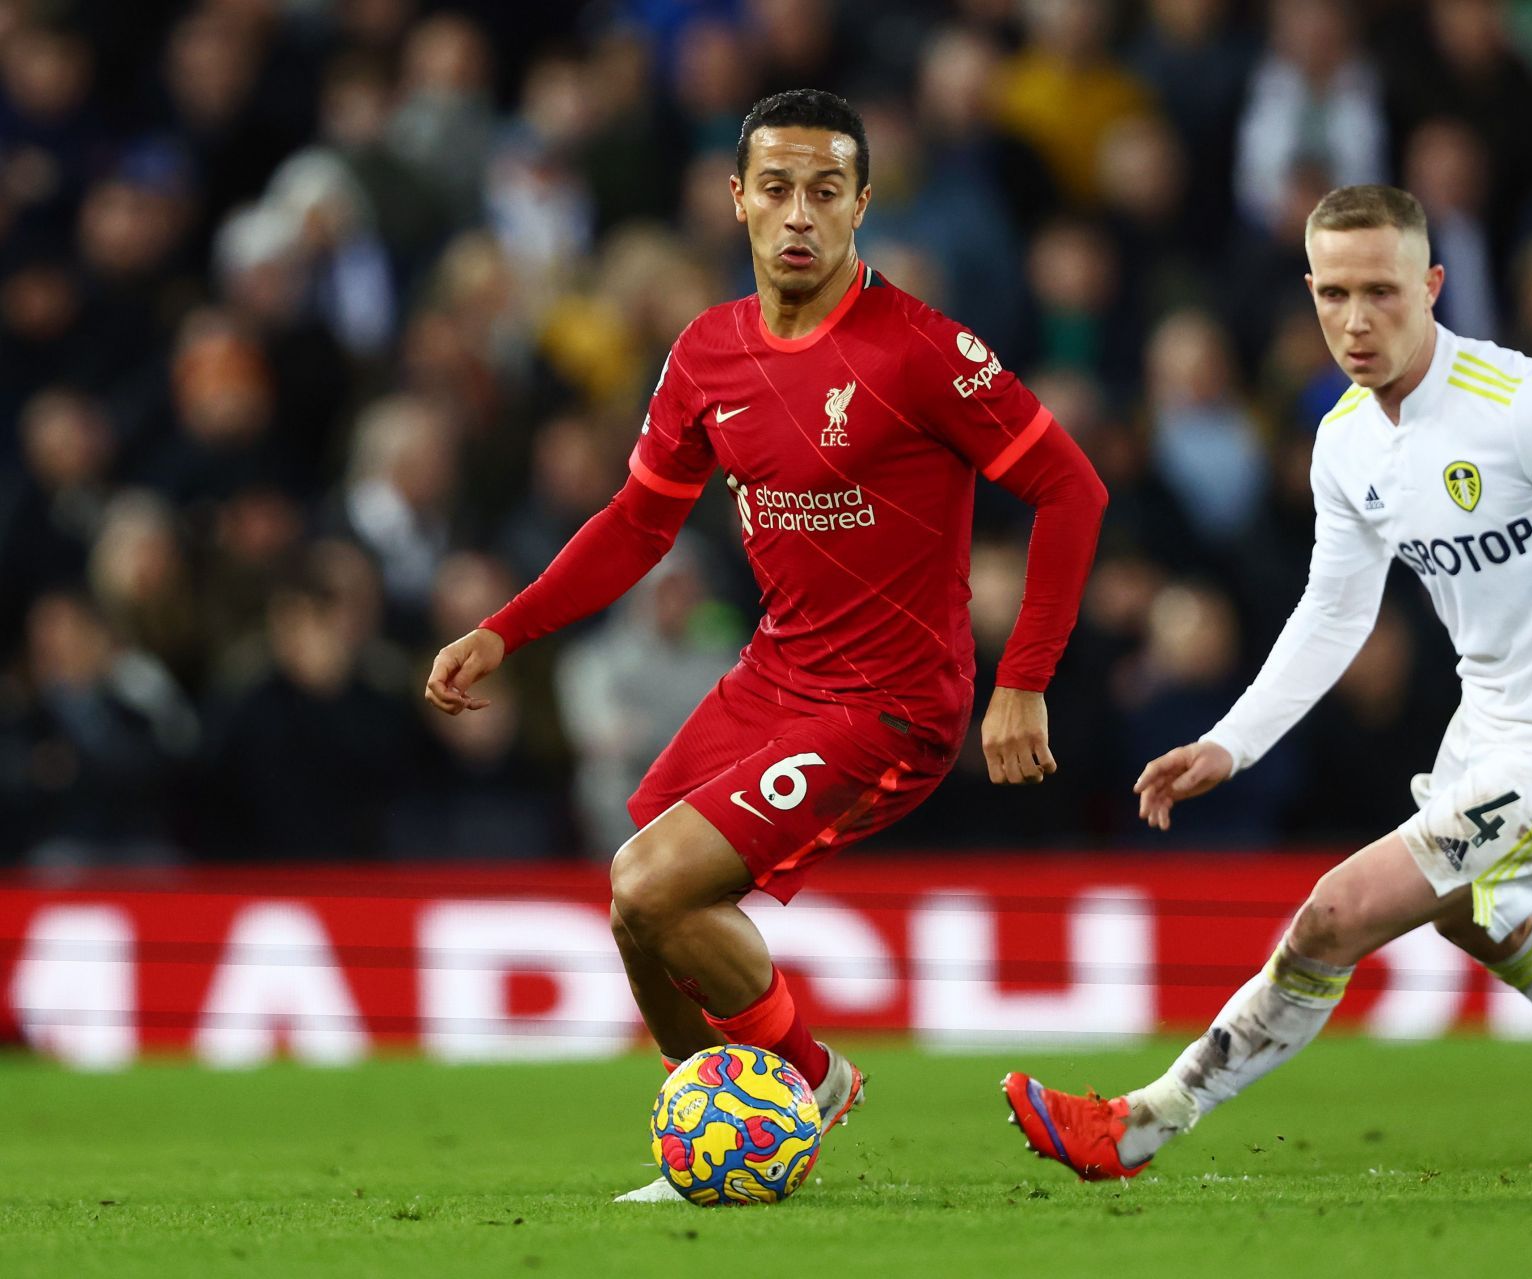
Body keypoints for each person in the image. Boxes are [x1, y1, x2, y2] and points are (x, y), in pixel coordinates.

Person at [1004, 184, 1532, 1178]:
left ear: (1433, 284)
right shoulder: (1347, 442)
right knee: (1477, 914)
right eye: (1334, 294)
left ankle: (1137, 1124)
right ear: (1309, 292)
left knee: (1336, 913)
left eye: (1383, 293)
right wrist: (1234, 740)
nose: (1356, 321)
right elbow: (1337, 611)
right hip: (1488, 728)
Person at [423, 90, 1106, 1198]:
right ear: (735, 199)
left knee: (650, 883)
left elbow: (1070, 489)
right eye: (777, 189)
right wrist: (509, 630)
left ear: (862, 206)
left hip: (891, 701)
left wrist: (1023, 679)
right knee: (636, 903)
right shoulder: (707, 351)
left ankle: (805, 1079)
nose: (799, 215)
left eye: (825, 192)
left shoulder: (921, 351)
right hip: (777, 675)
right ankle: (716, 1131)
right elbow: (641, 520)